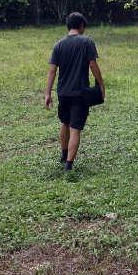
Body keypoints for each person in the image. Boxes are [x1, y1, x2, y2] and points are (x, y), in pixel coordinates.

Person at [44, 12, 105, 171]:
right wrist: (101, 84)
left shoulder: (58, 45)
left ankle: (64, 156)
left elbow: (52, 71)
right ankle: (69, 166)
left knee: (65, 123)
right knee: (75, 128)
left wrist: (47, 93)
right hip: (80, 93)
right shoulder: (87, 42)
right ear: (81, 26)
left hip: (63, 92)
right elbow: (93, 65)